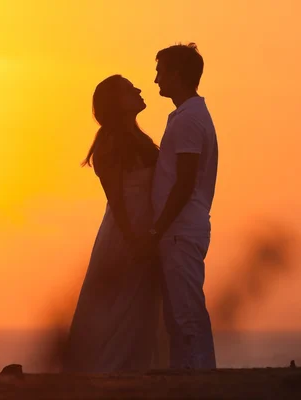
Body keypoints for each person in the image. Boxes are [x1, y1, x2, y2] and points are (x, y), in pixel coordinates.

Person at [62, 75, 168, 373]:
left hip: (144, 229)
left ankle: (133, 369)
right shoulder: (110, 142)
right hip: (126, 232)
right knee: (121, 306)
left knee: (140, 305)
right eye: (129, 88)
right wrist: (134, 240)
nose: (138, 90)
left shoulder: (139, 139)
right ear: (115, 101)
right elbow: (117, 200)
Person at [135, 43, 218, 369]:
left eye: (161, 72)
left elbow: (184, 183)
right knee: (178, 313)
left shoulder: (187, 120)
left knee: (186, 313)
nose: (156, 80)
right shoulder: (189, 115)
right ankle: (190, 375)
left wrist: (157, 229)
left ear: (177, 74)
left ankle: (199, 377)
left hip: (180, 230)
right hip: (181, 228)